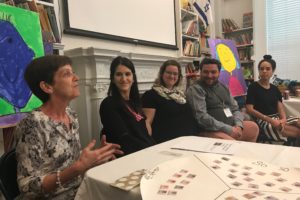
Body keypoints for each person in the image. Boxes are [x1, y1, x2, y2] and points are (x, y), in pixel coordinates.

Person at [13, 55, 123, 199]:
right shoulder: (32, 124)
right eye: (67, 74)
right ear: (47, 86)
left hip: (79, 192)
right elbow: (27, 187)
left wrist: (93, 160)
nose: (76, 78)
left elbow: (70, 163)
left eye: (73, 72)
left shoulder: (71, 115)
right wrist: (77, 168)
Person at [186, 58, 258, 142]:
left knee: (253, 128)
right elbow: (202, 118)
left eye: (213, 72)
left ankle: (244, 154)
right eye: (205, 72)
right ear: (200, 72)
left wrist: (238, 126)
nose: (209, 75)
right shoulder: (196, 89)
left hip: (231, 126)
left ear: (219, 73)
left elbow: (235, 109)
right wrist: (229, 129)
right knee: (231, 143)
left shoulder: (224, 87)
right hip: (208, 130)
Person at [99, 56, 155, 155]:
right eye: (119, 74)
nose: (124, 79)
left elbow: (145, 135)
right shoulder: (108, 104)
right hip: (127, 159)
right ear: (112, 79)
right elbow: (124, 140)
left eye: (127, 74)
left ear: (133, 78)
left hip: (147, 154)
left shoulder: (136, 104)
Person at [141, 60, 200, 143]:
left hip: (190, 139)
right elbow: (147, 122)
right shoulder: (151, 95)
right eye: (168, 72)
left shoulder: (180, 94)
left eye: (175, 74)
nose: (172, 76)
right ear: (162, 74)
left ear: (179, 76)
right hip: (169, 142)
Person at [246, 55, 300, 142]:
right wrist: (270, 120)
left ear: (272, 71)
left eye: (268, 69)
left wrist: (283, 119)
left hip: (277, 118)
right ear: (259, 71)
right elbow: (249, 109)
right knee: (293, 131)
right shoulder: (253, 87)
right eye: (261, 69)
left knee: (298, 121)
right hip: (264, 120)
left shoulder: (275, 88)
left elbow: (280, 106)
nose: (264, 71)